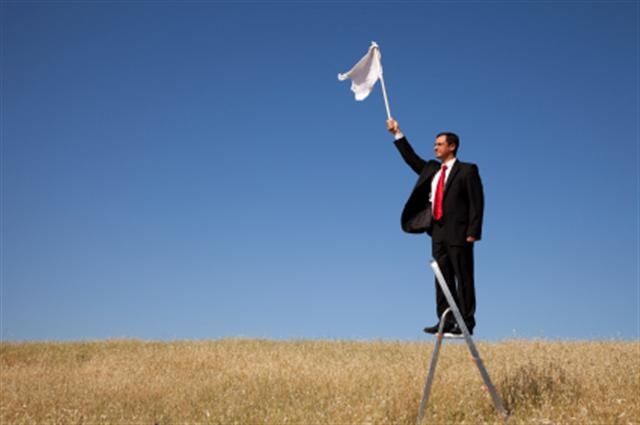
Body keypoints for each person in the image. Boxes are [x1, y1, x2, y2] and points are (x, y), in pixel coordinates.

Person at [387, 118, 484, 336]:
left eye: (439, 144)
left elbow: (477, 202)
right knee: (442, 278)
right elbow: (411, 159)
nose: (435, 147)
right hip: (437, 232)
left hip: (460, 233)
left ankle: (466, 322)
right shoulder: (432, 169)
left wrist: (473, 232)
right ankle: (446, 320)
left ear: (452, 146)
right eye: (434, 144)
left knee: (463, 277)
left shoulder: (467, 170)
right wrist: (397, 133)